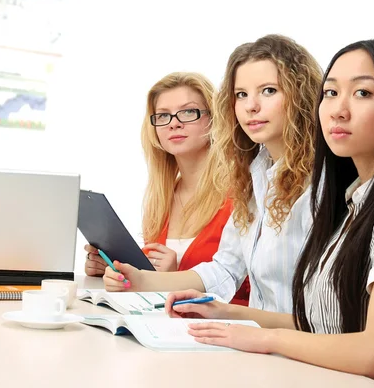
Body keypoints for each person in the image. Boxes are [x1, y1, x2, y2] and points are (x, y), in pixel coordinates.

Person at [168, 39, 374, 388]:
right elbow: (321, 326)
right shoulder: (354, 203)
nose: (337, 110)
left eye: (362, 94)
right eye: (330, 93)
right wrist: (226, 313)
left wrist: (265, 339)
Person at [102, 34, 322, 314]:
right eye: (241, 94)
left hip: (289, 342)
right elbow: (226, 268)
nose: (251, 105)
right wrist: (140, 278)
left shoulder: (321, 180)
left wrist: (227, 315)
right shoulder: (254, 175)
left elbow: (324, 315)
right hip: (253, 338)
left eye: (268, 90)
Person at [84, 71, 250, 305]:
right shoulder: (161, 198)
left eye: (188, 112)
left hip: (226, 330)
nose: (174, 123)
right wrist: (114, 269)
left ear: (213, 119)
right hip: (169, 326)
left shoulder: (242, 194)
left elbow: (248, 287)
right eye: (163, 116)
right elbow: (151, 278)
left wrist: (172, 275)